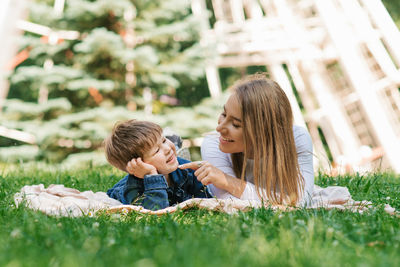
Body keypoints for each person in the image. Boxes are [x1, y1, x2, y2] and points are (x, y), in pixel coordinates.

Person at [179, 74, 314, 206]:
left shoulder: (296, 138)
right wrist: (281, 200)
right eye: (224, 114)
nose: (219, 127)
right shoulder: (214, 142)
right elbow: (229, 202)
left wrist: (228, 182)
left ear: (263, 132)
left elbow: (301, 201)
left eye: (236, 124)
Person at [104, 120, 211, 211]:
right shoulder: (134, 190)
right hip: (122, 190)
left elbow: (207, 199)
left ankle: (176, 145)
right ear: (138, 164)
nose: (168, 148)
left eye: (164, 140)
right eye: (156, 151)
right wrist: (152, 176)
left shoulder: (185, 169)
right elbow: (155, 211)